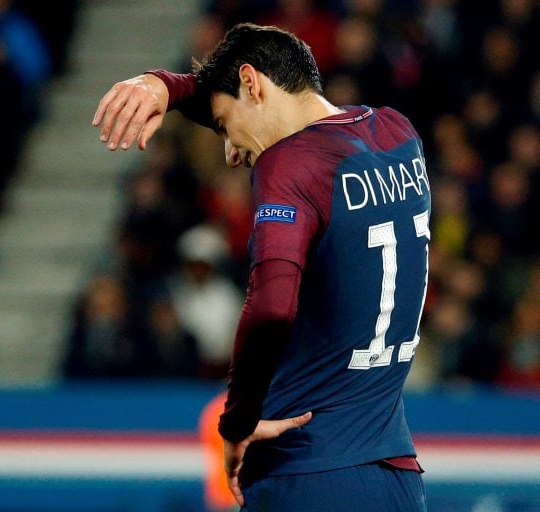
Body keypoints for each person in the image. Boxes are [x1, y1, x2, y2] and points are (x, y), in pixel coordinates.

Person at [93, 23, 430, 511]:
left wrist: (237, 420)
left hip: (308, 472)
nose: (235, 151)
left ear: (252, 83)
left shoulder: (289, 164)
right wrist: (167, 85)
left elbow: (272, 306)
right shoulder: (397, 132)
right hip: (396, 473)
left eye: (226, 125)